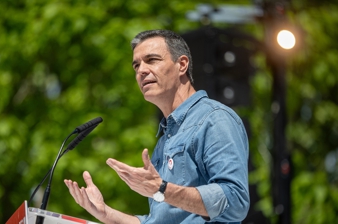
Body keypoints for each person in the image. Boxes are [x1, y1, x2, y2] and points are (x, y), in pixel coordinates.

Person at [64, 29, 250, 223]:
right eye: (136, 65)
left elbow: (235, 201)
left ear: (182, 65)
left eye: (152, 60)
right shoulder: (165, 138)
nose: (141, 70)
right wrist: (105, 213)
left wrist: (162, 189)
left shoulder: (214, 119)